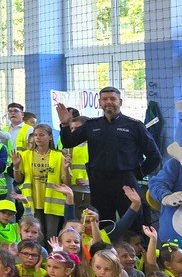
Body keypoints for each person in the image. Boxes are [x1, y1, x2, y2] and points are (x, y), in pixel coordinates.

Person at [56, 87, 161, 223]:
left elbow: (155, 156)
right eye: (105, 99)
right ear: (100, 103)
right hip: (99, 183)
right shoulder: (91, 125)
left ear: (120, 102)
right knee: (102, 224)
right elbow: (68, 142)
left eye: (113, 99)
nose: (109, 102)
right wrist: (65, 124)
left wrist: (137, 174)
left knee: (133, 224)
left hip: (125, 182)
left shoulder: (134, 125)